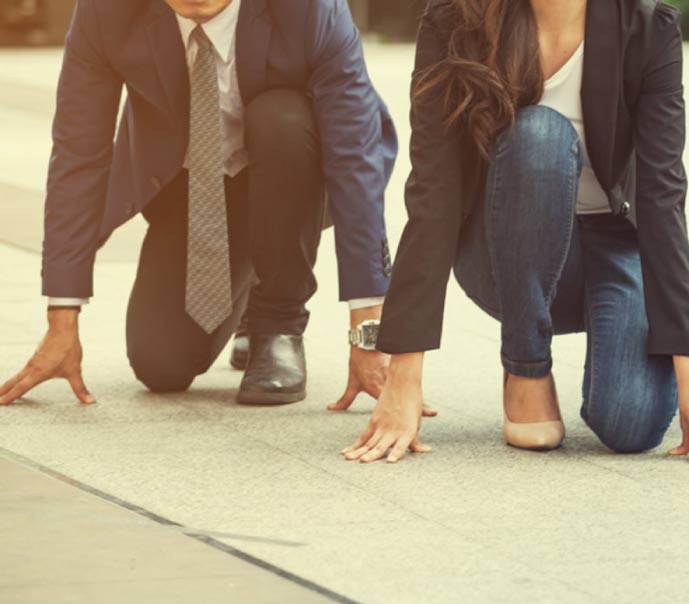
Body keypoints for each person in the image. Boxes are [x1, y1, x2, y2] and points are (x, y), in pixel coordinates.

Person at [343, 0, 689, 466]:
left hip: (613, 242)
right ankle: (526, 364)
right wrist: (404, 374)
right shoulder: (457, 22)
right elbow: (433, 194)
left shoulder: (648, 26)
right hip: (504, 250)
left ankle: (601, 349)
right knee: (539, 134)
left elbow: (662, 195)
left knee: (632, 424)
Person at [0, 0, 397, 408]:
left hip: (293, 169)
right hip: (194, 188)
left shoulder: (310, 8)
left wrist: (367, 333)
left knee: (281, 119)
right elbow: (78, 153)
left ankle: (278, 321)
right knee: (160, 365)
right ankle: (246, 285)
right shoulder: (107, 10)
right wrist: (62, 319)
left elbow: (354, 156)